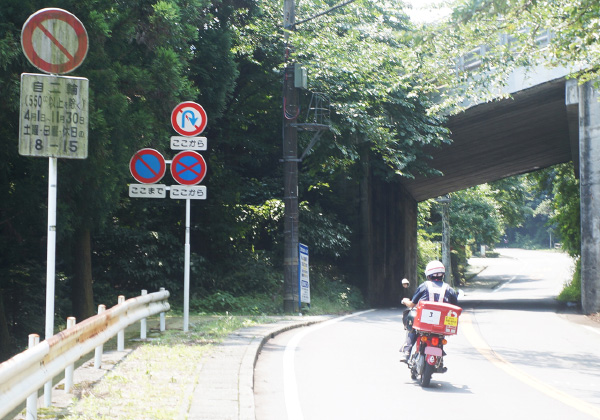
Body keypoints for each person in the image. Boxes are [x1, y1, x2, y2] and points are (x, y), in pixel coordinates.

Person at [399, 260, 459, 362]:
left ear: (428, 275)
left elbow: (412, 304)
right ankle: (440, 356)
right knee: (441, 333)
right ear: (442, 275)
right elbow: (455, 308)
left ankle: (407, 351)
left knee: (412, 322)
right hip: (440, 326)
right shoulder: (449, 289)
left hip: (424, 323)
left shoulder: (424, 286)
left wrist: (405, 301)